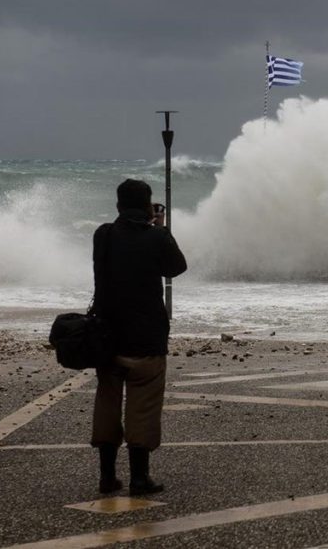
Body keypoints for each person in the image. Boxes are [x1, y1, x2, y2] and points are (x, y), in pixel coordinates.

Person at [90, 178, 187, 496]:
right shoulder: (156, 237)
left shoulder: (103, 235)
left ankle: (107, 477)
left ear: (118, 205)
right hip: (146, 337)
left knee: (107, 401)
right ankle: (139, 477)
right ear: (148, 207)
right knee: (142, 406)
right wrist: (160, 227)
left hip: (107, 336)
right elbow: (176, 267)